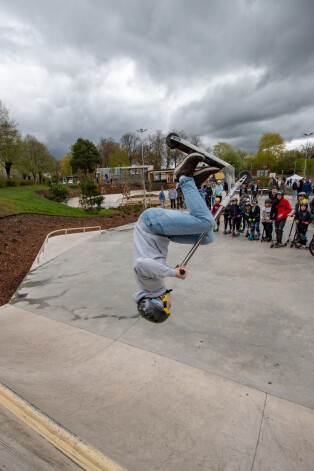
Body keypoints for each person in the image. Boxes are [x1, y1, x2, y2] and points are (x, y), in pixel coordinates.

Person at [133, 153, 215, 323]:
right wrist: (170, 268)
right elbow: (153, 263)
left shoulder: (151, 287)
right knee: (206, 238)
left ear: (159, 302)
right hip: (162, 232)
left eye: (168, 306)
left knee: (206, 222)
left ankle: (184, 177)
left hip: (151, 224)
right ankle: (195, 186)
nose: (171, 304)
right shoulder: (155, 288)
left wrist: (173, 273)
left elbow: (141, 263)